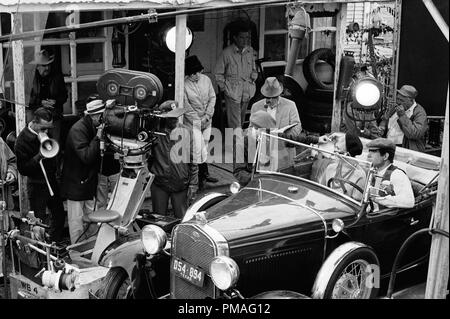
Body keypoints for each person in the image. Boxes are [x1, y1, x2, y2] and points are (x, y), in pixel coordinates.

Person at [14, 107, 66, 242]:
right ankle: (41, 252)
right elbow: (23, 170)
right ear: (34, 122)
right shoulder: (22, 140)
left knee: (59, 216)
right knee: (39, 221)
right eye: (43, 128)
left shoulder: (45, 131)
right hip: (36, 185)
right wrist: (39, 157)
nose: (47, 131)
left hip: (50, 180)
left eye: (49, 127)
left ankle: (54, 244)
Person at [61, 99, 105, 244]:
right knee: (76, 222)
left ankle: (91, 248)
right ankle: (76, 252)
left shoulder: (88, 126)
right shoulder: (78, 130)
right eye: (102, 115)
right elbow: (86, 156)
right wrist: (98, 138)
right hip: (76, 183)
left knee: (91, 219)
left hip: (85, 182)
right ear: (95, 116)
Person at [149, 101, 198, 219]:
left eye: (176, 116)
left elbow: (193, 160)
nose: (174, 119)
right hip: (159, 183)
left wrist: (193, 184)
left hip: (181, 183)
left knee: (182, 219)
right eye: (171, 117)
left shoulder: (187, 131)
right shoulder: (155, 132)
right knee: (159, 220)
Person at [184, 55, 218, 189]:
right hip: (193, 122)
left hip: (207, 120)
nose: (197, 75)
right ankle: (195, 180)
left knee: (204, 147)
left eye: (198, 72)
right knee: (197, 149)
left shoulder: (206, 80)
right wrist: (198, 121)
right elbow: (186, 107)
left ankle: (204, 174)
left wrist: (207, 116)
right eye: (193, 73)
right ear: (188, 74)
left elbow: (212, 97)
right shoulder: (184, 85)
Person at [215, 23, 258, 128]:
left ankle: (237, 142)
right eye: (242, 37)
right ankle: (235, 144)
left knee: (241, 121)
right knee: (235, 123)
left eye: (247, 37)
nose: (245, 40)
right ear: (235, 38)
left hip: (247, 91)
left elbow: (254, 69)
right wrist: (225, 89)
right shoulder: (226, 53)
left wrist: (253, 77)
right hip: (232, 92)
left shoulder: (250, 51)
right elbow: (218, 74)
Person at [28, 49, 68, 145]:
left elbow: (64, 96)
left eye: (49, 65)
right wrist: (40, 102)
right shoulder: (30, 78)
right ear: (37, 66)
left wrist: (56, 102)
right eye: (44, 65)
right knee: (35, 144)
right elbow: (25, 99)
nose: (47, 68)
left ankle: (55, 160)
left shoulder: (57, 76)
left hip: (54, 116)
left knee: (55, 144)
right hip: (35, 116)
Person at [367, 138, 415, 209]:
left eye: (373, 151)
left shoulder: (397, 174)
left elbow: (409, 201)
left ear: (385, 156)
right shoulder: (371, 172)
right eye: (369, 151)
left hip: (384, 218)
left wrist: (377, 199)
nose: (368, 155)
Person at [317, 132, 367, 201]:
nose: (334, 151)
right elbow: (320, 191)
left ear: (347, 153)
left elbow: (355, 206)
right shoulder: (330, 167)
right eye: (335, 148)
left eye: (337, 149)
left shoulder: (360, 175)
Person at [379, 85, 428, 152]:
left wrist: (402, 115)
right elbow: (385, 120)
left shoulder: (420, 113)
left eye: (402, 100)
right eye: (398, 99)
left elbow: (415, 134)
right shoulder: (395, 107)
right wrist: (383, 124)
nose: (398, 102)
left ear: (411, 100)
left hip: (405, 149)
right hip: (389, 145)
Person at [233, 110, 277, 186]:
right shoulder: (241, 144)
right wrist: (257, 178)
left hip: (273, 181)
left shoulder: (270, 138)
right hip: (252, 185)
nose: (267, 135)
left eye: (268, 132)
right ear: (254, 128)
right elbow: (238, 171)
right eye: (264, 131)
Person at [0, 137, 17, 280]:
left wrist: (11, 172)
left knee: (3, 239)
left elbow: (12, 161)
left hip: (2, 200)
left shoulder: (0, 142)